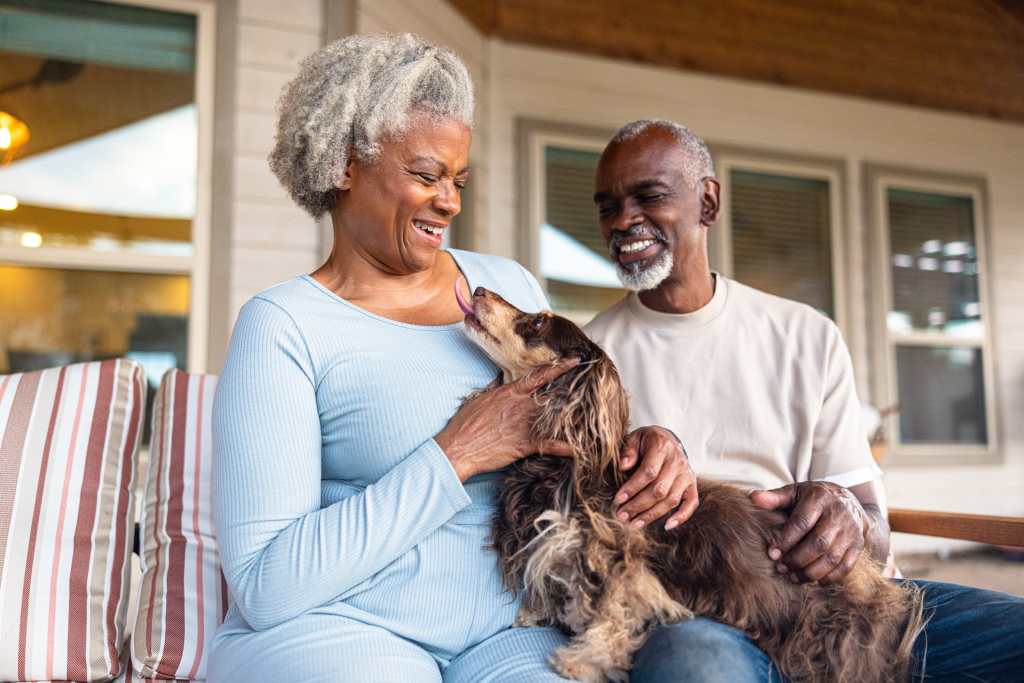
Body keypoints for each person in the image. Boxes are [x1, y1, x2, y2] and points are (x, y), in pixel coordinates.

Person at [208, 35, 698, 683]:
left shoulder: (508, 290)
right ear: (344, 164)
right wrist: (457, 452)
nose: (450, 201)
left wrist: (652, 447)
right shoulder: (284, 326)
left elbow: (577, 452)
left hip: (509, 631)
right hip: (344, 628)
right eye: (425, 174)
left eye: (458, 180)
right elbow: (266, 583)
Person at [584, 118, 1024, 681]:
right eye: (607, 207)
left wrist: (848, 516)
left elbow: (876, 525)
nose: (624, 221)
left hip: (837, 605)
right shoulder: (590, 359)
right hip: (698, 611)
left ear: (708, 202)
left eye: (649, 197)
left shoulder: (805, 335)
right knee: (690, 665)